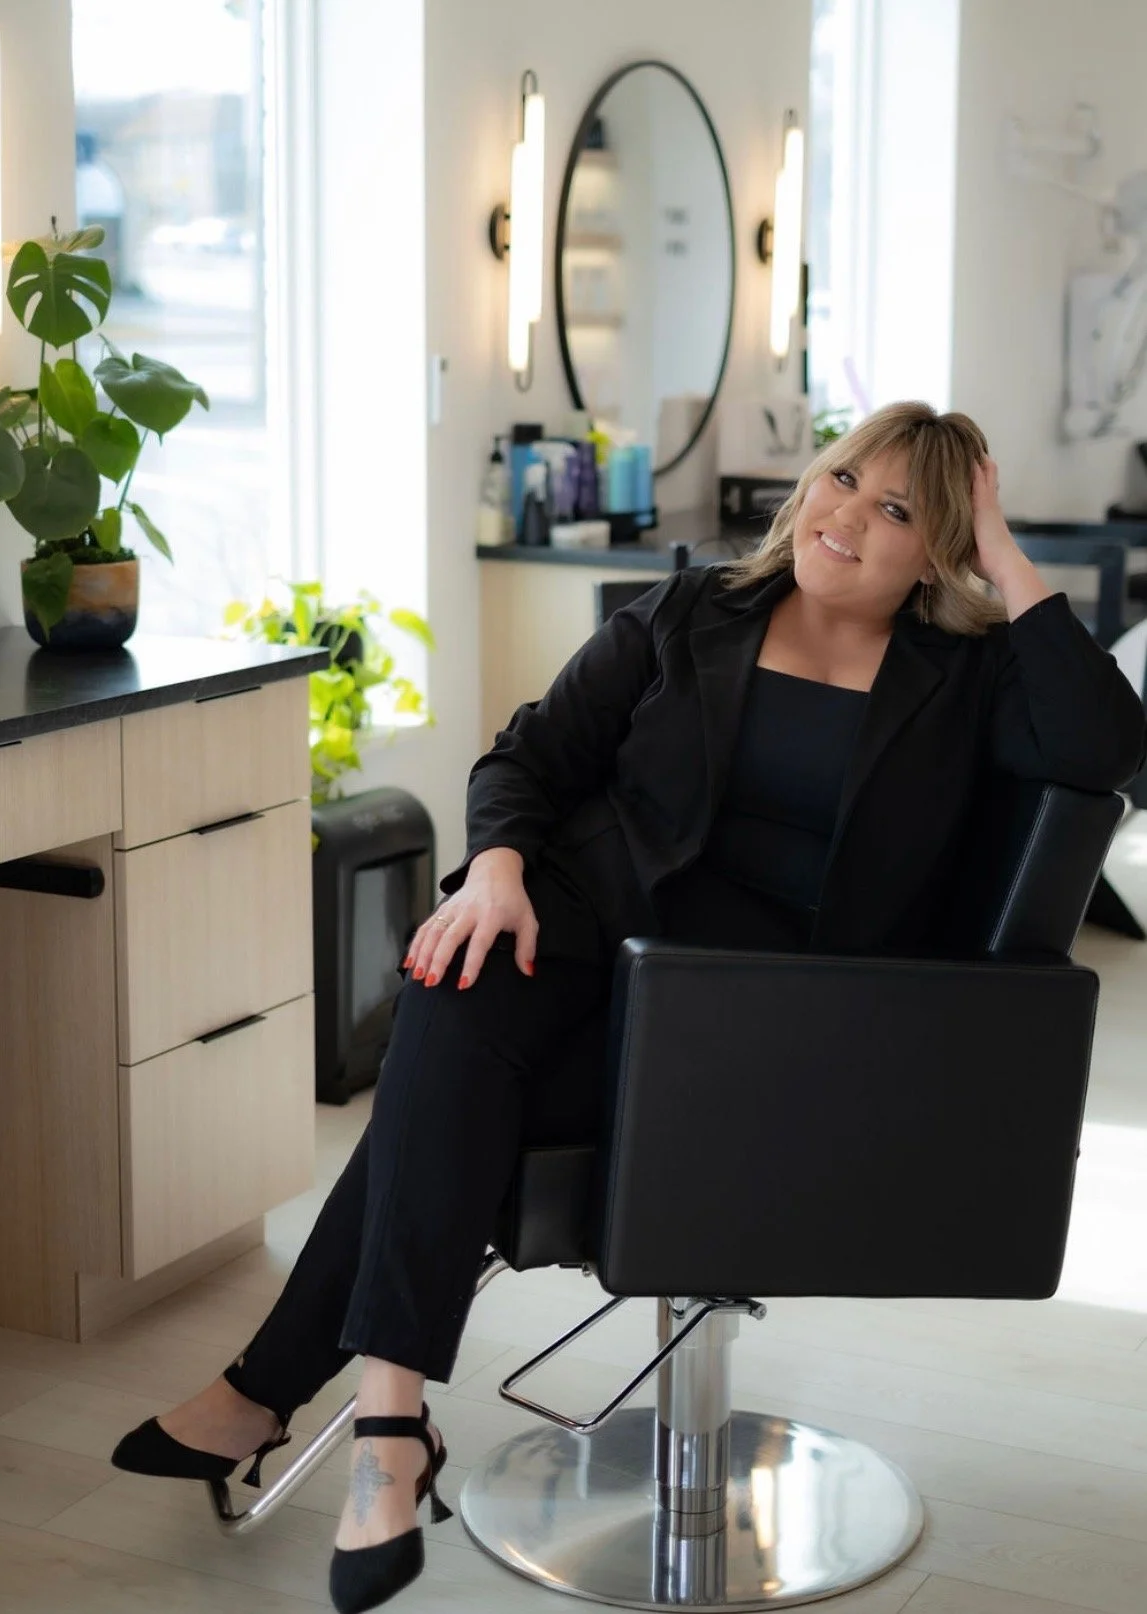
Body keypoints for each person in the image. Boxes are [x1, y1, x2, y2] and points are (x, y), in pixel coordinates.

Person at [110, 401, 1146, 1613]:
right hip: (580, 946)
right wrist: (494, 869)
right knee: (455, 983)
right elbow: (529, 756)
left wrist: (1007, 556)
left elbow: (1107, 749)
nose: (847, 518)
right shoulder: (691, 612)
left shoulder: (964, 678)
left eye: (898, 510)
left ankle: (270, 1391)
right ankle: (390, 1424)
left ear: (940, 551)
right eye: (841, 480)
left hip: (768, 1027)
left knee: (437, 1102)